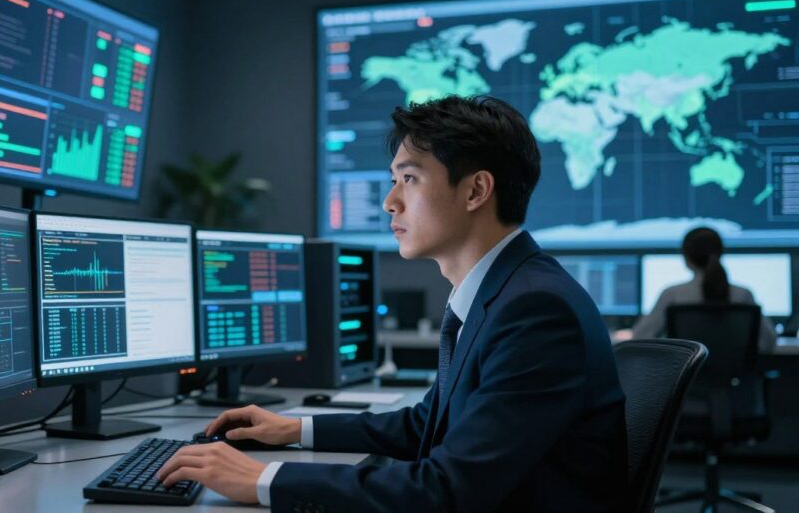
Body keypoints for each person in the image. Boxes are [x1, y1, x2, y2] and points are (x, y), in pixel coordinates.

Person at [157, 95, 628, 511]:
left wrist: (263, 479)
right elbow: (427, 424)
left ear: (476, 191)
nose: (389, 202)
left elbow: (446, 491)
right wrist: (295, 429)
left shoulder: (535, 311)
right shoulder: (507, 292)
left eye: (409, 178)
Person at [629, 227, 778, 352]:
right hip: (735, 378)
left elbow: (640, 338)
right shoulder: (743, 295)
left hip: (687, 378)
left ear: (686, 258)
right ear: (720, 253)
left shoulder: (673, 295)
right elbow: (769, 342)